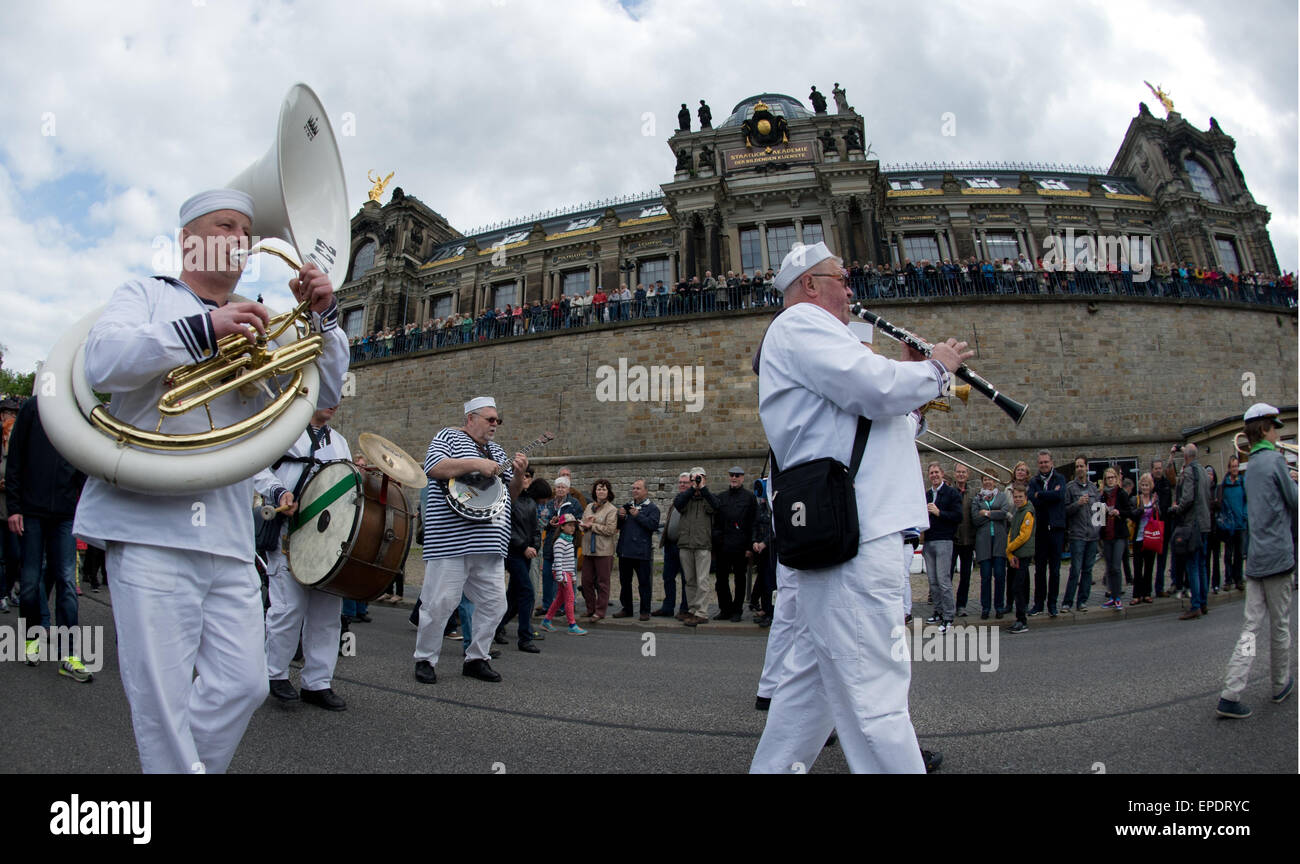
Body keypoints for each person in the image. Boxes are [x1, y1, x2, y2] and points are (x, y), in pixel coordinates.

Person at [72, 188, 350, 772]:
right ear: (187, 240)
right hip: (148, 524)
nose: (241, 241)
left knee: (242, 685)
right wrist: (204, 330)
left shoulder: (262, 318)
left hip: (225, 529)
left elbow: (321, 394)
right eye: (225, 226)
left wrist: (322, 318)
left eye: (246, 233)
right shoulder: (145, 294)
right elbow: (101, 361)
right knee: (162, 703)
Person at [750, 240, 969, 774]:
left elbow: (882, 417)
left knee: (810, 692)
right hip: (858, 535)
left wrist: (912, 383)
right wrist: (934, 369)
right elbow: (871, 388)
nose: (851, 289)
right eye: (841, 279)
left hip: (856, 531)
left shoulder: (823, 335)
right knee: (874, 696)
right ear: (809, 285)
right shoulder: (802, 322)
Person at [413, 396, 528, 684]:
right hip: (450, 540)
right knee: (439, 603)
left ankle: (477, 658)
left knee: (495, 604)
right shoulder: (448, 436)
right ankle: (425, 659)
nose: (495, 424)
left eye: (497, 420)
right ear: (470, 418)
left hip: (489, 543)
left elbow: (508, 496)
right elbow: (433, 467)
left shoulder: (498, 452)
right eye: (490, 419)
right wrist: (476, 463)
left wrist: (519, 475)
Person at [259, 405, 349, 710]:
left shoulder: (338, 440)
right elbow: (255, 467)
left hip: (325, 537)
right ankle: (274, 674)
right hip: (288, 530)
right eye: (326, 395)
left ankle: (318, 682)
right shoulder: (281, 428)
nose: (333, 402)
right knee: (288, 607)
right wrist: (278, 492)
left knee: (327, 612)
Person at [1216, 403, 1296, 718]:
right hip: (1278, 556)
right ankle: (1279, 684)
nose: (1279, 433)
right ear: (1264, 429)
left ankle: (1231, 692)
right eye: (1276, 427)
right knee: (1281, 625)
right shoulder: (1276, 460)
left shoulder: (1251, 467)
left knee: (1250, 628)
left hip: (1257, 559)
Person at [5, 396, 88, 678]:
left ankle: (70, 654)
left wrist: (82, 508)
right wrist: (14, 508)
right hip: (31, 512)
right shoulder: (33, 408)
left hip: (64, 513)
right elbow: (15, 457)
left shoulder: (77, 410)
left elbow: (82, 461)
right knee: (30, 583)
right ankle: (31, 638)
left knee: (66, 581)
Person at [498, 477, 550, 653]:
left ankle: (497, 626)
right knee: (527, 592)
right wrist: (524, 546)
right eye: (523, 477)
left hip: (526, 553)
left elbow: (535, 529)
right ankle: (525, 637)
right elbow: (507, 529)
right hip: (514, 553)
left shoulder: (530, 503)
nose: (526, 479)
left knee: (513, 595)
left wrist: (534, 546)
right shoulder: (509, 501)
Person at [1171, 443, 1211, 620]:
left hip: (1192, 524)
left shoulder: (1188, 472)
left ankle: (1195, 605)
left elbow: (1187, 498)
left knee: (1193, 565)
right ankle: (1203, 602)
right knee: (1202, 564)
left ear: (1186, 457)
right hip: (1204, 523)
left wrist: (1177, 508)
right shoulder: (1203, 471)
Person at [674, 466, 719, 627]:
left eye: (699, 478)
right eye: (694, 478)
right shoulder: (685, 497)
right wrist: (692, 488)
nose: (696, 481)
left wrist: (703, 488)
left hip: (702, 545)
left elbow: (716, 507)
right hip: (686, 544)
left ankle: (702, 612)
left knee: (702, 581)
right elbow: (678, 504)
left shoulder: (709, 497)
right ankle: (692, 610)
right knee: (690, 580)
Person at [713, 466, 757, 622]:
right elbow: (716, 523)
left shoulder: (749, 498)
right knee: (721, 581)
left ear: (743, 478)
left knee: (740, 580)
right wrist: (717, 541)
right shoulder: (721, 497)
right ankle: (725, 609)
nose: (734, 478)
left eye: (737, 475)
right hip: (723, 546)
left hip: (741, 546)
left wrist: (750, 547)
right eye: (732, 475)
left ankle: (737, 610)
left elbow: (753, 523)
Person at [923, 462, 962, 631]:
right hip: (929, 540)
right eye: (931, 473)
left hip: (944, 540)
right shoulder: (926, 494)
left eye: (936, 472)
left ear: (942, 474)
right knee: (932, 581)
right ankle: (938, 611)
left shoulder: (951, 493)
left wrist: (939, 513)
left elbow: (958, 516)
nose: (934, 475)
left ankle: (948, 615)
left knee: (944, 580)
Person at [1027, 450, 1066, 617]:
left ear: (1051, 463)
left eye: (1046, 462)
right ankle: (1038, 604)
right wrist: (1046, 496)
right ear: (1038, 464)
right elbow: (1032, 498)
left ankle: (1052, 604)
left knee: (1055, 571)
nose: (1044, 465)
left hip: (1056, 529)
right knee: (1040, 570)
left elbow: (1059, 496)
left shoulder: (1060, 478)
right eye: (1041, 462)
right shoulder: (1034, 481)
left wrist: (1041, 495)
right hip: (1041, 530)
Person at [614, 478, 659, 621]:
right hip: (625, 551)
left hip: (642, 552)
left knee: (644, 583)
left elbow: (652, 526)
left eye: (638, 488)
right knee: (624, 582)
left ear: (646, 491)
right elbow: (618, 527)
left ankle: (645, 611)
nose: (635, 491)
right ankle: (627, 609)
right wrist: (620, 517)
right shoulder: (627, 506)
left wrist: (638, 515)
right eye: (633, 488)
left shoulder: (653, 508)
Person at [1062, 455, 1100, 612]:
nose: (1079, 469)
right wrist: (1077, 504)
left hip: (1092, 535)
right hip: (1077, 535)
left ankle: (1082, 601)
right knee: (1075, 570)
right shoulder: (1070, 488)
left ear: (1086, 467)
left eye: (1081, 466)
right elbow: (1064, 511)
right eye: (1077, 466)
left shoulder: (1093, 488)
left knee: (1088, 570)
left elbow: (1099, 511)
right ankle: (1067, 602)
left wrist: (1099, 530)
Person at [539, 513, 587, 635]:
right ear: (562, 527)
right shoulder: (560, 542)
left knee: (560, 599)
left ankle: (546, 621)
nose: (573, 528)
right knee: (570, 598)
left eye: (574, 526)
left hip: (567, 573)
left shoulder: (569, 540)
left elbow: (571, 562)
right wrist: (561, 577)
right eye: (569, 525)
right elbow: (558, 561)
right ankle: (572, 624)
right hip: (562, 574)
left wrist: (573, 576)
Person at [652, 472, 691, 619]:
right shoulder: (676, 500)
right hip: (671, 545)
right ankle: (668, 607)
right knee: (668, 577)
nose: (682, 484)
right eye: (680, 482)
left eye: (685, 482)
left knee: (686, 579)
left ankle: (685, 608)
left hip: (684, 545)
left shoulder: (692, 500)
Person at [579, 479, 619, 621]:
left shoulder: (612, 509)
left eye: (603, 489)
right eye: (598, 489)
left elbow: (610, 530)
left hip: (603, 550)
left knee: (603, 582)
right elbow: (583, 524)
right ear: (594, 491)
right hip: (588, 549)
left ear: (608, 492)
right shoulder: (589, 506)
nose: (600, 492)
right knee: (586, 581)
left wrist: (592, 525)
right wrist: (583, 525)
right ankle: (590, 608)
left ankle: (600, 611)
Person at [971, 472, 1009, 619]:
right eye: (985, 479)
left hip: (999, 541)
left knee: (999, 575)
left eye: (991, 479)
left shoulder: (1002, 496)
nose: (988, 482)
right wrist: (994, 513)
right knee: (985, 576)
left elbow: (1004, 513)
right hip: (984, 542)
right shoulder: (977, 498)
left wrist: (986, 513)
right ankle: (985, 607)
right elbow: (975, 519)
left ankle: (999, 606)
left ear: (995, 482)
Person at [1097, 467, 1135, 609]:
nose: (1110, 480)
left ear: (1116, 478)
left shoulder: (1121, 494)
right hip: (1107, 535)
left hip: (1119, 534)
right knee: (1109, 567)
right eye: (1107, 478)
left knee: (1116, 566)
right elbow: (1099, 517)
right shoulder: (1102, 496)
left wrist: (1119, 512)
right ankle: (1112, 596)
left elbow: (1129, 512)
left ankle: (1117, 596)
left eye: (1112, 477)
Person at [1005, 483, 1036, 634]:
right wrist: (1010, 553)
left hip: (1023, 554)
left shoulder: (1028, 512)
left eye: (1020, 497)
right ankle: (1019, 618)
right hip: (1016, 554)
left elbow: (1024, 536)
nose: (1017, 499)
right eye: (1015, 497)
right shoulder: (1017, 512)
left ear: (1025, 497)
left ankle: (1022, 620)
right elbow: (1011, 533)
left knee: (1018, 587)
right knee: (1017, 586)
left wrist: (1009, 548)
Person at [1217, 456, 1248, 592]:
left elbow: (1247, 500)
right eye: (1233, 466)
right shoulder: (1225, 485)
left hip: (1240, 524)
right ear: (1229, 468)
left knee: (1239, 554)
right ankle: (1228, 580)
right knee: (1228, 554)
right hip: (1229, 526)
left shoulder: (1242, 482)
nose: (1235, 469)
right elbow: (1221, 503)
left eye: (1236, 466)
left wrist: (1244, 514)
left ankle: (1238, 579)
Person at [950, 464, 976, 617]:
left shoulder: (973, 493)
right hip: (953, 539)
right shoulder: (950, 492)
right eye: (958, 472)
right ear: (954, 474)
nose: (961, 475)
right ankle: (947, 606)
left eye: (964, 472)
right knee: (948, 576)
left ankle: (961, 605)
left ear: (968, 474)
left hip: (968, 539)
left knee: (966, 576)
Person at [1132, 472, 1161, 604]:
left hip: (1151, 537)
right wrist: (1140, 511)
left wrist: (1155, 507)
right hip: (1138, 538)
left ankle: (1147, 593)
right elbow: (1132, 514)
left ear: (1151, 486)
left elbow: (1159, 515)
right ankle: (1137, 594)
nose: (1144, 488)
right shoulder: (1136, 499)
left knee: (1149, 567)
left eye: (1147, 485)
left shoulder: (1154, 499)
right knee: (1138, 567)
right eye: (1143, 485)